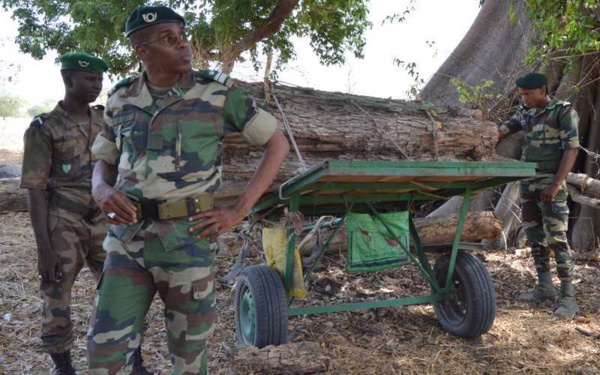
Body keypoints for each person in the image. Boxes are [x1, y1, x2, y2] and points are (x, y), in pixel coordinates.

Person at [87, 5, 290, 374]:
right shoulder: (121, 98)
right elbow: (105, 158)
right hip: (126, 242)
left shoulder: (216, 94)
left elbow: (277, 145)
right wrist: (100, 188)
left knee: (189, 355)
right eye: (169, 39)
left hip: (188, 241)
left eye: (183, 36)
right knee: (103, 351)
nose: (184, 45)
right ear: (142, 51)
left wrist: (238, 210)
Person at [21, 52, 108, 374]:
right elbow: (35, 189)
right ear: (68, 80)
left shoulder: (104, 121)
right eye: (89, 79)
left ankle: (125, 355)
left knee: (119, 289)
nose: (96, 85)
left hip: (103, 219)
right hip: (63, 221)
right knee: (56, 296)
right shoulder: (45, 127)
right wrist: (44, 250)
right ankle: (64, 366)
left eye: (99, 80)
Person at [498, 72, 580, 317]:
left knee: (557, 240)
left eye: (528, 94)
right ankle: (544, 287)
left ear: (543, 90)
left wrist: (555, 186)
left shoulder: (563, 112)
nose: (524, 98)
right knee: (535, 236)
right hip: (529, 183)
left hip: (551, 184)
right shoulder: (526, 112)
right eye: (522, 94)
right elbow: (505, 128)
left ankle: (568, 298)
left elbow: (571, 151)